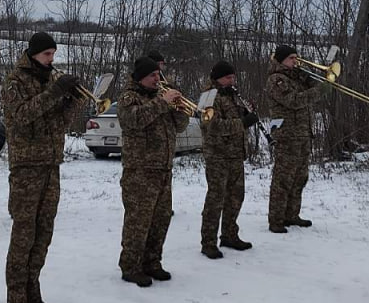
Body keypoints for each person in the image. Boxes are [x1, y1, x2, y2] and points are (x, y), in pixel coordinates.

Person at [1, 32, 82, 303]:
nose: (52, 60)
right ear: (33, 54)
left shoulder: (48, 80)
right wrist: (54, 93)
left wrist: (71, 101)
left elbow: (57, 123)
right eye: (47, 54)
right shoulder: (15, 81)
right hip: (26, 168)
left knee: (43, 234)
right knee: (24, 235)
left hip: (50, 165)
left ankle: (33, 295)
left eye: (54, 54)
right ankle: (16, 302)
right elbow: (22, 116)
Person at [117, 55, 189, 286]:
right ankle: (131, 266)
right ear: (140, 78)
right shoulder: (129, 98)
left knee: (160, 220)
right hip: (140, 170)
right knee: (139, 221)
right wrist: (163, 102)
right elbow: (134, 121)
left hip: (163, 169)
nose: (157, 79)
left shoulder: (159, 97)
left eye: (158, 75)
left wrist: (179, 109)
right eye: (152, 76)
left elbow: (179, 127)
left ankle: (152, 262)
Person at [265, 44, 324, 233]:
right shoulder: (277, 79)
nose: (296, 61)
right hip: (287, 134)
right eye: (291, 58)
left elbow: (310, 93)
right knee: (283, 178)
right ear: (281, 60)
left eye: (296, 58)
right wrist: (318, 91)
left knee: (300, 177)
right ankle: (276, 219)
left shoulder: (296, 77)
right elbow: (294, 101)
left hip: (303, 134)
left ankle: (292, 214)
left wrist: (311, 80)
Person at [199, 60, 255, 259]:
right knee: (216, 199)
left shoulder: (231, 95)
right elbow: (212, 126)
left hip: (235, 155)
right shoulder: (209, 97)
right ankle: (208, 241)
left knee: (235, 197)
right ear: (217, 78)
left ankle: (230, 234)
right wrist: (241, 122)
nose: (232, 80)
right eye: (227, 77)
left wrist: (246, 113)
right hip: (218, 155)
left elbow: (234, 120)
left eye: (233, 77)